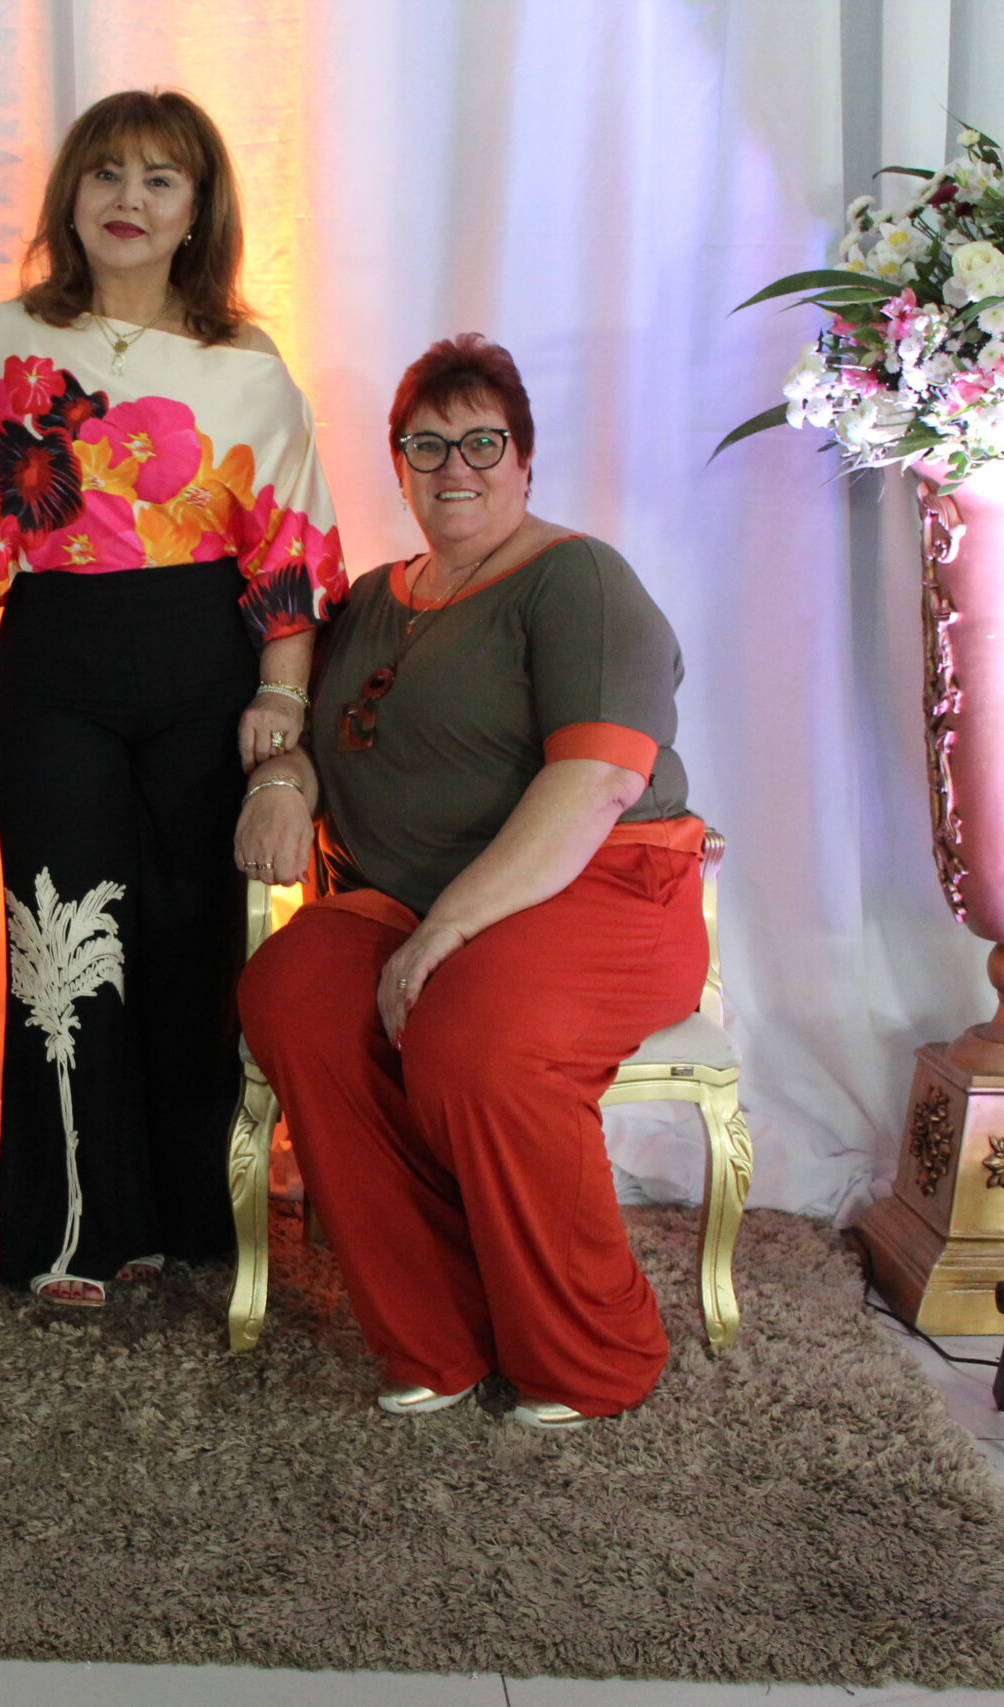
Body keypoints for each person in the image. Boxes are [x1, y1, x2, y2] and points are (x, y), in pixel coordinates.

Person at [0, 89, 344, 1305]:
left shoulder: (247, 364)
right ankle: (69, 1231)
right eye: (107, 173)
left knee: (188, 934)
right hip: (57, 662)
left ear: (198, 210)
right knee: (59, 939)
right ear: (70, 197)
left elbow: (290, 556)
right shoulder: (8, 340)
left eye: (161, 179)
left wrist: (280, 707)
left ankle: (187, 1215)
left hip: (204, 669)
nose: (129, 200)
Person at [234, 335, 705, 1430]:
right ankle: (437, 1328)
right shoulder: (368, 599)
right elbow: (319, 731)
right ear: (397, 465)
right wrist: (283, 781)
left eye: (482, 442)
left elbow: (595, 783)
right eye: (427, 445)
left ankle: (594, 1353)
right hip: (406, 900)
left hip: (594, 889)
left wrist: (442, 935)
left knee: (476, 1039)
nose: (456, 467)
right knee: (291, 993)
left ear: (525, 459)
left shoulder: (578, 578)